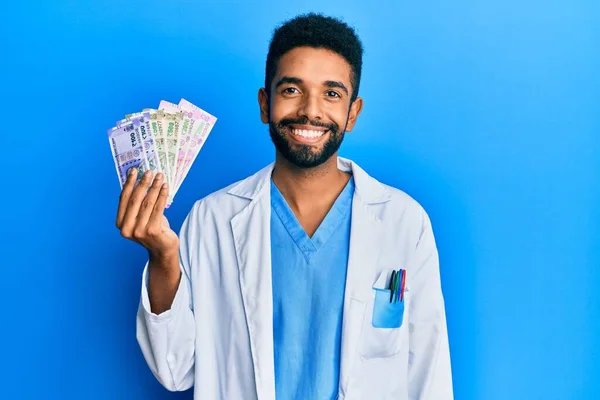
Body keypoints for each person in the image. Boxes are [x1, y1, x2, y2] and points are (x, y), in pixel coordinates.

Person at [116, 12, 453, 400]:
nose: (311, 110)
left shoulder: (403, 221)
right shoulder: (211, 220)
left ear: (352, 113)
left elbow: (429, 371)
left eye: (332, 93)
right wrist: (163, 256)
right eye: (292, 90)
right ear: (265, 103)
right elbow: (175, 370)